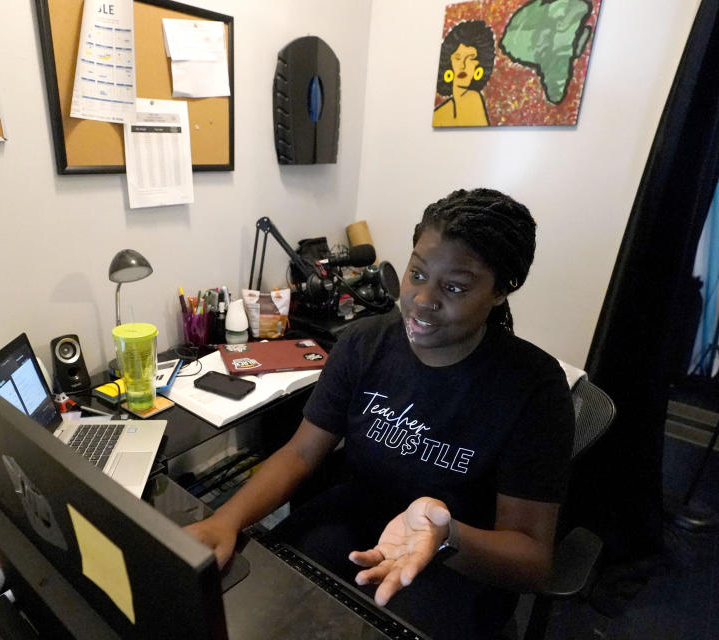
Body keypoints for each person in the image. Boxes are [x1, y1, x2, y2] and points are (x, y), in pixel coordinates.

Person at [186, 188, 575, 639]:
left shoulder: (533, 388)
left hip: (460, 559)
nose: (422, 300)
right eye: (417, 273)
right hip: (355, 519)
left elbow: (531, 560)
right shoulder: (363, 344)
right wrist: (225, 520)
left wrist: (445, 536)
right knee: (258, 596)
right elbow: (301, 454)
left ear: (501, 290)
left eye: (454, 287)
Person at [433, 20, 496, 127]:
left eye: (470, 58)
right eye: (457, 58)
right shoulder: (442, 111)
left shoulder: (472, 98)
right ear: (449, 63)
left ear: (480, 65)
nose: (462, 65)